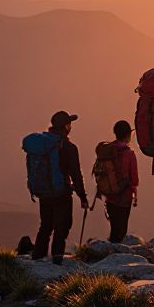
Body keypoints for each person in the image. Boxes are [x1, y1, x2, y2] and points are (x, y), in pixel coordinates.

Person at [32, 110, 89, 263]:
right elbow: (75, 174)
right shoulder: (69, 148)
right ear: (66, 127)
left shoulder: (43, 145)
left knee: (45, 225)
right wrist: (82, 196)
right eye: (69, 123)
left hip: (44, 192)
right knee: (62, 226)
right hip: (61, 192)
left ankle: (38, 257)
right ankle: (57, 260)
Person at [101, 119, 139, 243]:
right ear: (128, 135)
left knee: (114, 227)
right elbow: (134, 179)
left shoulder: (107, 150)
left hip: (110, 195)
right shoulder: (129, 154)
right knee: (121, 229)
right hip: (124, 197)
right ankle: (117, 254)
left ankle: (111, 249)